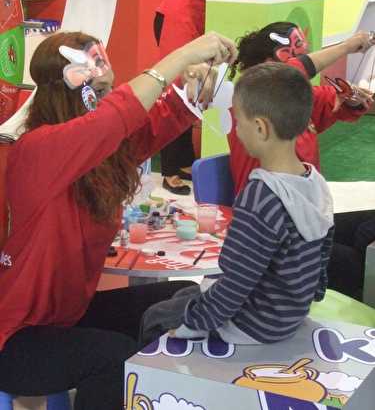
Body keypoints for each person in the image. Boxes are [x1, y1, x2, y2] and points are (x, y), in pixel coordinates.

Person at [0, 30, 237, 410]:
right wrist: (181, 55)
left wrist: (195, 87)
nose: (110, 97)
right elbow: (116, 118)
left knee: (181, 300)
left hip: (65, 317)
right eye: (102, 90)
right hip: (15, 338)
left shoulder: (97, 149)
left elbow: (145, 126)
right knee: (116, 358)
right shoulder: (36, 149)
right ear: (76, 91)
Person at [141, 63, 334, 345]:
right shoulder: (315, 181)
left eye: (238, 120)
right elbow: (323, 255)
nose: (236, 129)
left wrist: (192, 325)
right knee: (184, 295)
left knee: (154, 316)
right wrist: (308, 297)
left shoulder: (260, 196)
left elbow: (236, 282)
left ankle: (143, 385)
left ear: (259, 127)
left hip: (253, 325)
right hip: (290, 314)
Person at [227, 21, 375, 299]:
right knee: (362, 263)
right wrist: (346, 46)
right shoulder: (255, 99)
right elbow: (290, 74)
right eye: (293, 55)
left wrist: (353, 98)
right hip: (281, 227)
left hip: (305, 216)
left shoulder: (293, 98)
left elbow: (339, 100)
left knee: (366, 228)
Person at [154, 0, 287, 195]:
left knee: (195, 92)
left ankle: (182, 162)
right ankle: (168, 170)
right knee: (178, 92)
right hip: (179, 20)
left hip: (194, 23)